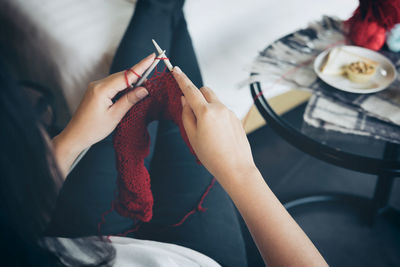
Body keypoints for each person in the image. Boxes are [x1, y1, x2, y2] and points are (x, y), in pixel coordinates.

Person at [0, 0, 328, 266]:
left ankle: (163, 7)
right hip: (197, 257)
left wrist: (70, 141)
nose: (45, 127)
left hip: (72, 239)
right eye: (37, 124)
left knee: (161, 45)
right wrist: (241, 172)